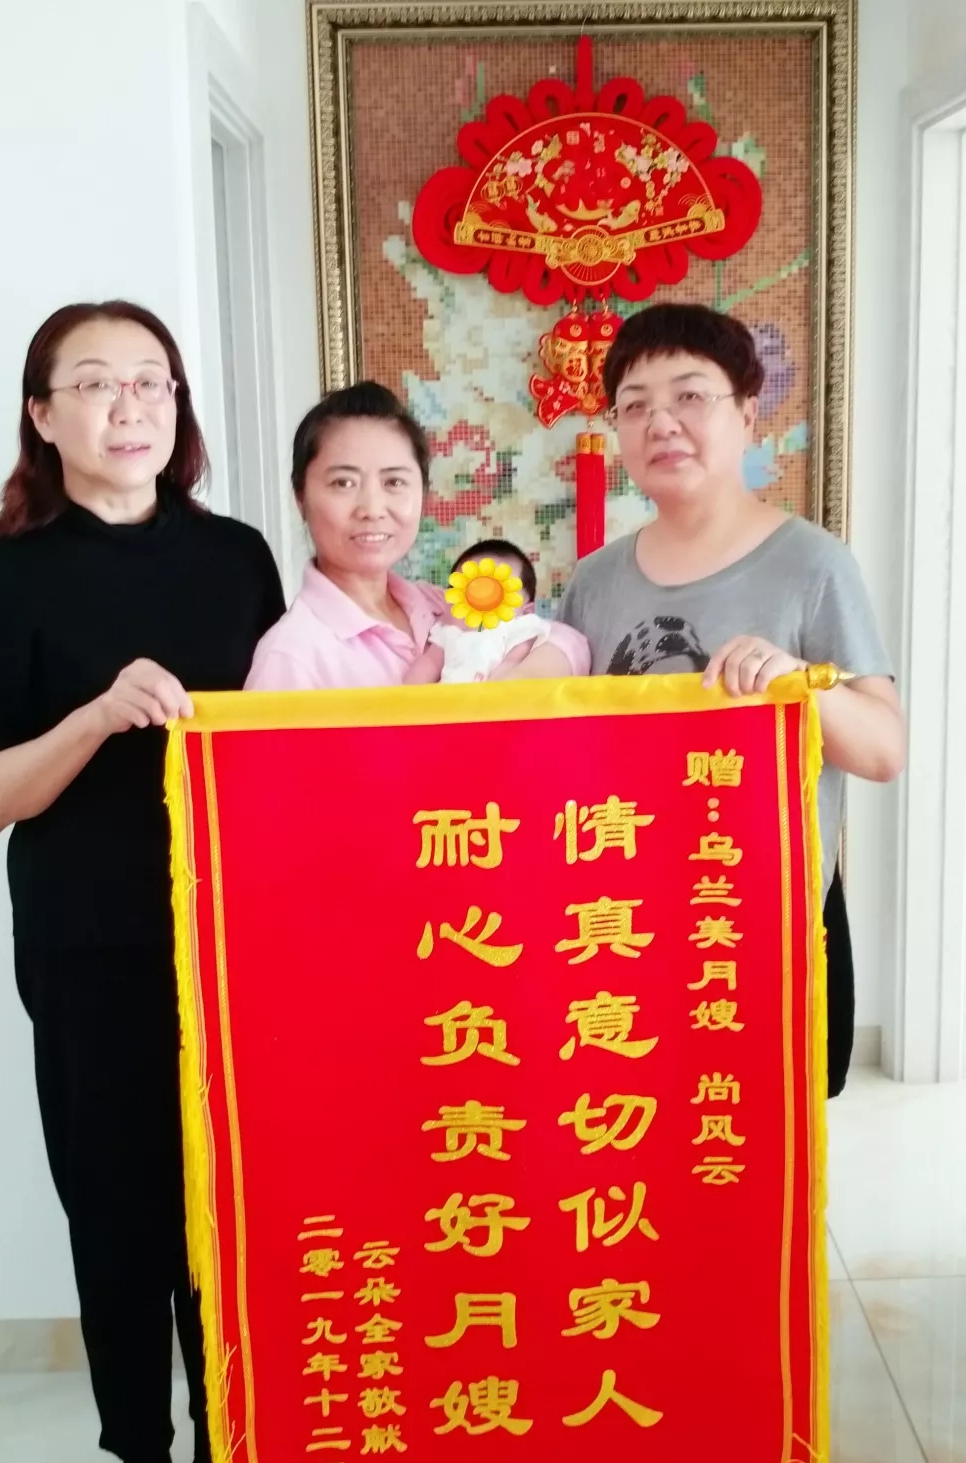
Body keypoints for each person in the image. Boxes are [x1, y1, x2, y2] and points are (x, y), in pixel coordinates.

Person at [0, 300, 285, 1463]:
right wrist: (96, 714)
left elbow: (293, 743)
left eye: (152, 380)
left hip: (241, 946)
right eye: (94, 383)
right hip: (90, 947)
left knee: (231, 1215)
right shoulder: (4, 576)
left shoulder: (238, 557)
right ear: (44, 415)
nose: (129, 404)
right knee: (119, 1214)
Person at [559, 302, 905, 1098]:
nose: (661, 423)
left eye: (689, 395)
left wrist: (800, 682)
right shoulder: (595, 581)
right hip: (627, 922)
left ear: (747, 415)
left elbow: (885, 750)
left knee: (767, 1145)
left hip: (768, 922)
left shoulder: (811, 564)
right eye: (635, 406)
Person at [245, 383, 590, 691]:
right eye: (343, 483)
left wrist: (515, 682)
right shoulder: (289, 657)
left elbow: (567, 640)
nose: (372, 509)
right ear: (301, 498)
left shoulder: (437, 604)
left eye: (394, 482)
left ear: (422, 492)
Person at [408, 538, 556, 683]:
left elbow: (514, 662)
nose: (481, 601)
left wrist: (502, 678)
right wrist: (407, 690)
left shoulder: (517, 629)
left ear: (526, 612)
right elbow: (428, 665)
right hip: (448, 697)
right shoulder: (449, 632)